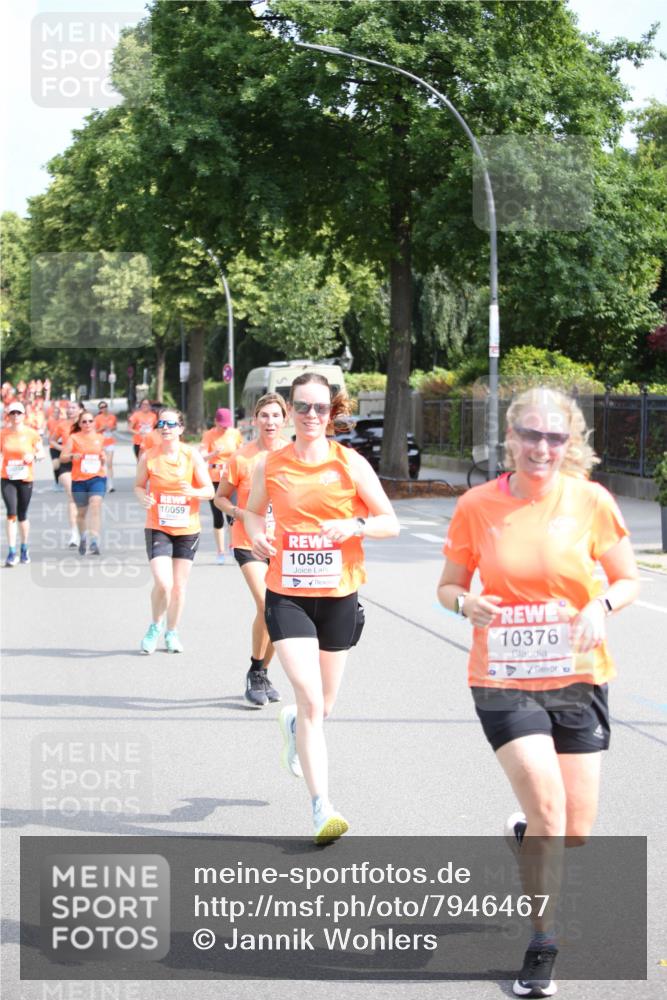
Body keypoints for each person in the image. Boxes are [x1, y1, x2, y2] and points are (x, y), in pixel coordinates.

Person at [436, 386, 639, 999]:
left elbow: (627, 577)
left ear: (570, 442)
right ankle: (543, 944)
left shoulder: (592, 502)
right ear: (511, 438)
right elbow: (447, 586)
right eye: (530, 434)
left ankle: (528, 838)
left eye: (554, 437)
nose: (541, 447)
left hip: (579, 675)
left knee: (574, 827)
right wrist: (464, 603)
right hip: (502, 678)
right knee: (550, 810)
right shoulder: (477, 505)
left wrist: (602, 605)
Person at [245, 374, 400, 843]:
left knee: (323, 706)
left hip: (339, 595)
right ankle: (321, 807)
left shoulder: (350, 464)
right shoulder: (270, 466)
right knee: (311, 699)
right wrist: (255, 533)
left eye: (320, 408)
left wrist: (354, 525)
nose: (311, 416)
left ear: (332, 412)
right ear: (290, 411)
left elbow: (389, 522)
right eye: (303, 407)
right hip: (287, 593)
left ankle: (293, 722)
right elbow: (252, 511)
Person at [215, 393, 287, 708]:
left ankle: (261, 671)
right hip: (247, 541)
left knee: (277, 612)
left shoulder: (295, 455)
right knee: (267, 602)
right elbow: (220, 498)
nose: (270, 422)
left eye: (275, 416)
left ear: (285, 419)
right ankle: (257, 672)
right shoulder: (241, 457)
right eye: (264, 416)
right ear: (254, 420)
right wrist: (241, 513)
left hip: (284, 544)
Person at [134, 407, 214, 654]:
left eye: (171, 424)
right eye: (162, 424)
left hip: (187, 528)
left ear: (180, 428)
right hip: (158, 526)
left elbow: (210, 490)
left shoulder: (191, 456)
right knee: (163, 583)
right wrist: (142, 498)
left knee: (179, 587)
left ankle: (172, 632)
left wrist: (194, 492)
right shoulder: (149, 456)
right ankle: (154, 626)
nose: (165, 429)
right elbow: (138, 486)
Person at [1, 401, 44, 566]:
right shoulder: (3, 434)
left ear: (24, 415)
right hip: (7, 478)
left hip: (25, 478)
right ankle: (12, 552)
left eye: (19, 413)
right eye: (13, 413)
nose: (16, 416)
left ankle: (24, 548)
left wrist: (33, 456)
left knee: (22, 515)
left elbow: (41, 452)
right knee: (11, 513)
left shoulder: (31, 434)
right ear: (9, 416)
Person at [60, 409, 107, 556]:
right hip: (79, 480)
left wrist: (103, 457)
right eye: (84, 421)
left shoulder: (100, 437)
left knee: (95, 504)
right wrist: (73, 455)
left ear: (94, 423)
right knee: (81, 513)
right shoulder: (74, 438)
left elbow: (102, 454)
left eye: (90, 421)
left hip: (97, 478)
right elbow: (63, 457)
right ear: (79, 424)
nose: (87, 424)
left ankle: (94, 541)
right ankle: (84, 537)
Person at [200, 408, 243, 564]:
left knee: (232, 513)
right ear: (216, 422)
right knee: (218, 516)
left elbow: (241, 451)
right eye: (222, 425)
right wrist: (214, 454)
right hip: (215, 478)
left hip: (231, 478)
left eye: (227, 425)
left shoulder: (235, 433)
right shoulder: (209, 435)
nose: (225, 428)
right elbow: (201, 457)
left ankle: (233, 545)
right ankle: (220, 551)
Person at [49, 400, 83, 547]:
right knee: (71, 495)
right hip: (65, 462)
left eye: (73, 408)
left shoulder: (86, 424)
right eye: (68, 408)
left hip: (82, 463)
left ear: (80, 410)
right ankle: (74, 534)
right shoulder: (62, 425)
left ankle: (84, 529)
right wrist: (62, 448)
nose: (70, 410)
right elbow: (52, 440)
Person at [94, 400, 118, 491]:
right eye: (101, 407)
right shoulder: (97, 418)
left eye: (105, 406)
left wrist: (111, 428)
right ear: (99, 409)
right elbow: (94, 431)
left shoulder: (112, 417)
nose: (103, 408)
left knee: (110, 463)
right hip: (101, 443)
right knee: (102, 464)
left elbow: (115, 426)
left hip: (110, 441)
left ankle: (110, 485)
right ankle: (101, 484)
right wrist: (102, 428)